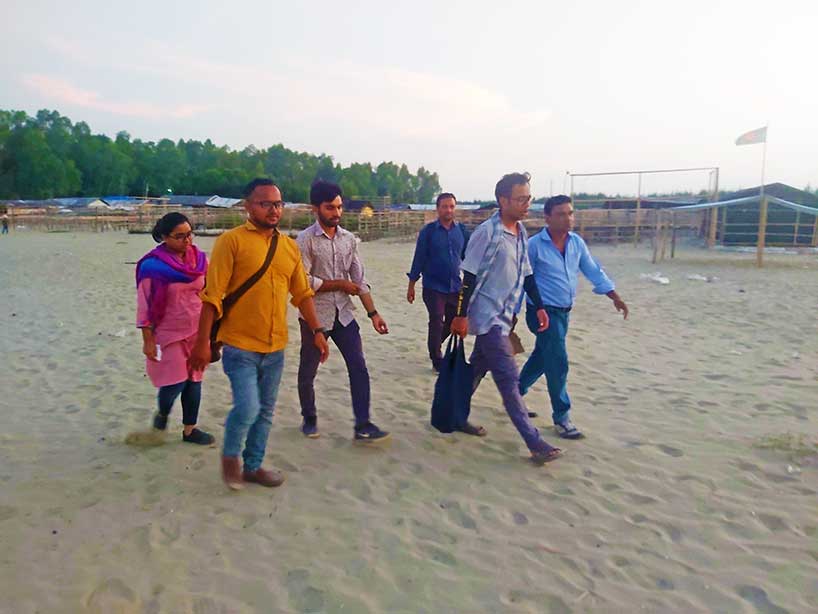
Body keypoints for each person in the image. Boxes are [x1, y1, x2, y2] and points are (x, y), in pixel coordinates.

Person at [189, 178, 329, 490]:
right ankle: (230, 459)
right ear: (248, 206)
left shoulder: (288, 247)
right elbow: (212, 297)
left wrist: (317, 330)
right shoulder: (231, 241)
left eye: (278, 203)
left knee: (265, 412)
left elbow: (302, 294)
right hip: (239, 346)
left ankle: (253, 466)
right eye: (265, 203)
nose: (273, 209)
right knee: (248, 407)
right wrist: (201, 343)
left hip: (276, 346)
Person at [451, 172, 562, 463]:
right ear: (503, 200)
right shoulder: (486, 233)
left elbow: (526, 273)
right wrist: (460, 316)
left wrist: (538, 305)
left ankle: (454, 413)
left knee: (476, 369)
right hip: (488, 318)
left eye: (529, 197)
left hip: (506, 315)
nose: (527, 203)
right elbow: (469, 276)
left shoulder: (521, 233)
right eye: (521, 198)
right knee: (509, 379)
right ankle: (534, 442)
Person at [519, 195, 628, 439]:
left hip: (564, 312)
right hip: (542, 312)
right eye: (561, 214)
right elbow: (521, 280)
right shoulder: (534, 246)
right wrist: (513, 315)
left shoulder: (576, 243)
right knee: (558, 361)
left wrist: (614, 296)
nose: (568, 218)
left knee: (543, 356)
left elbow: (593, 270)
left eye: (570, 213)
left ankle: (514, 393)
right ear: (547, 218)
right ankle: (562, 417)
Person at [295, 179, 390, 442]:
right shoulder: (304, 241)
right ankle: (309, 417)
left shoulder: (349, 240)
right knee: (308, 371)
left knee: (359, 367)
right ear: (316, 208)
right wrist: (337, 284)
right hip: (315, 317)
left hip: (345, 315)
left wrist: (373, 314)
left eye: (338, 207)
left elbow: (359, 280)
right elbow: (302, 282)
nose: (336, 213)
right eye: (329, 207)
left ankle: (363, 424)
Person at [135, 212, 214, 445]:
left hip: (197, 331)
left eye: (189, 234)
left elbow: (210, 293)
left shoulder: (200, 260)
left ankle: (190, 430)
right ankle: (162, 414)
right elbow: (144, 306)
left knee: (194, 380)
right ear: (164, 237)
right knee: (175, 381)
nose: (187, 240)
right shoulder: (152, 266)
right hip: (168, 333)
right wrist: (147, 339)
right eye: (179, 236)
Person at [406, 192, 470, 371]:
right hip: (433, 286)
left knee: (452, 321)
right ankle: (436, 359)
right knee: (436, 319)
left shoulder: (462, 231)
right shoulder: (428, 232)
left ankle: (435, 344)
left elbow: (469, 257)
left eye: (451, 206)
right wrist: (411, 284)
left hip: (455, 286)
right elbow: (419, 258)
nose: (448, 210)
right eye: (444, 206)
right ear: (438, 209)